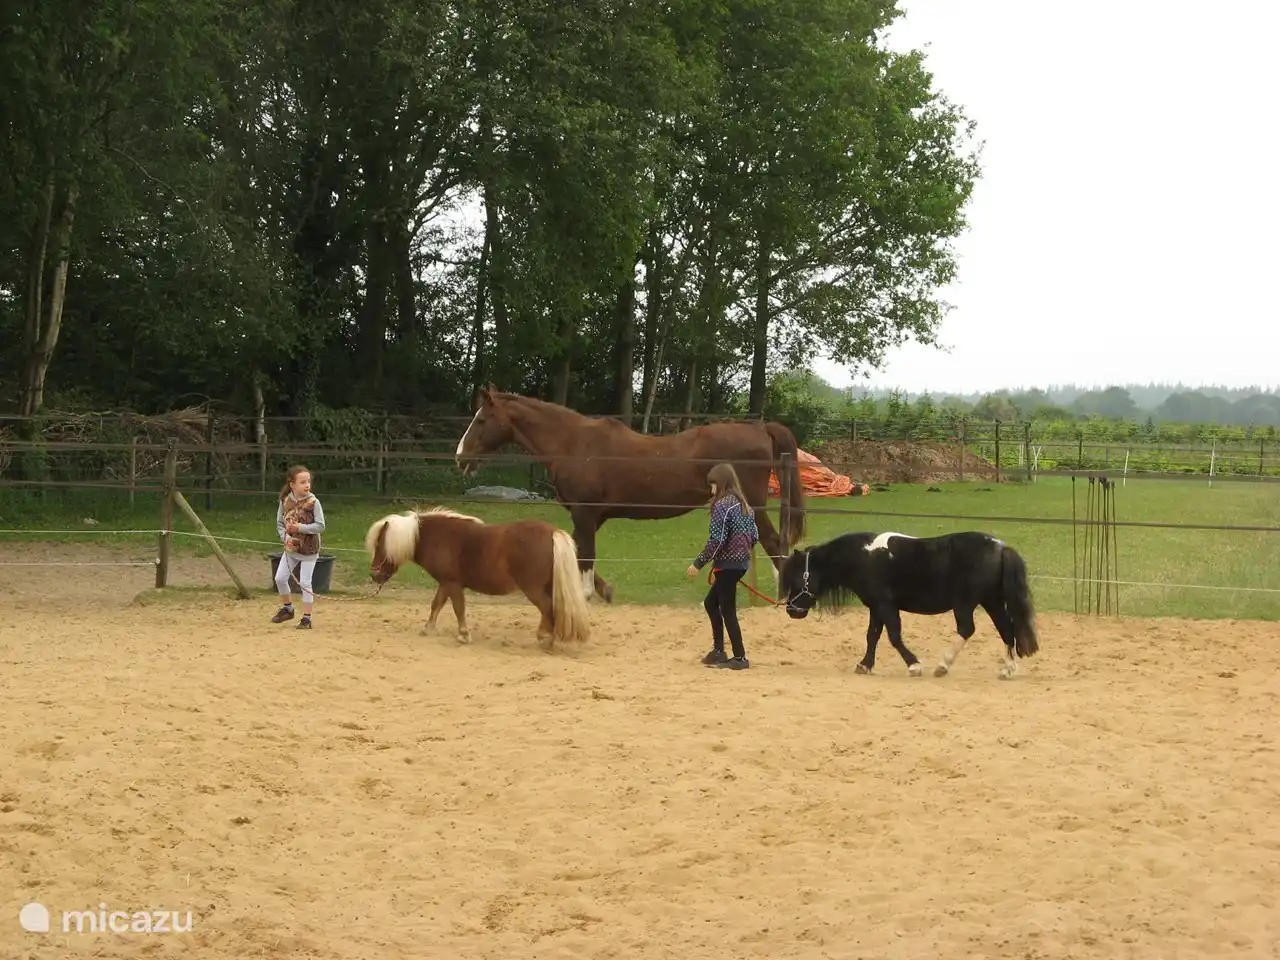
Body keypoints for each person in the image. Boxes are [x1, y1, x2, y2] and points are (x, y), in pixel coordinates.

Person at [686, 462, 759, 669]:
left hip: (728, 566)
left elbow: (716, 540)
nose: (711, 490)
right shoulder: (745, 506)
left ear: (721, 483)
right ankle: (719, 651)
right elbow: (755, 536)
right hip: (739, 564)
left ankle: (739, 657)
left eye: (713, 485)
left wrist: (698, 563)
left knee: (727, 610)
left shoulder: (722, 506)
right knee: (711, 603)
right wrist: (741, 554)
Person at [272, 464, 326, 629]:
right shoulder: (285, 501)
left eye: (308, 481)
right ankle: (287, 609)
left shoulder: (314, 502)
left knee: (305, 583)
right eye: (302, 482)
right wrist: (286, 538)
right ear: (292, 484)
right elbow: (280, 524)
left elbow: (320, 526)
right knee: (280, 578)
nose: (307, 485)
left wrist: (300, 528)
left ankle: (307, 619)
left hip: (309, 549)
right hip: (291, 549)